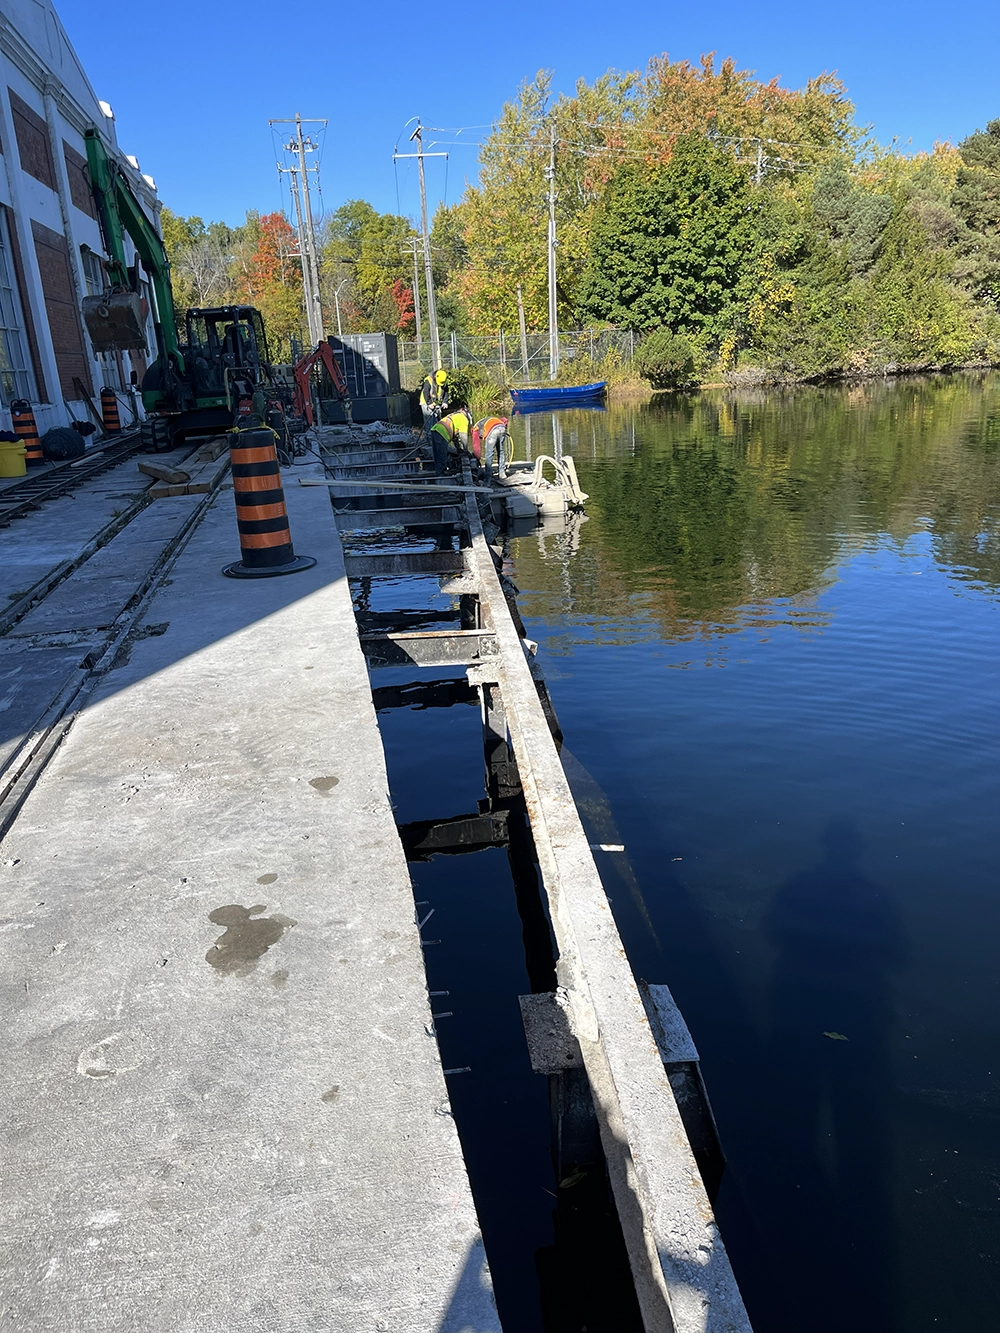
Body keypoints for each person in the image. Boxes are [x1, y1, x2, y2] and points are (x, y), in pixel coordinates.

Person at [429, 407, 473, 475]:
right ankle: (441, 477)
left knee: (437, 455)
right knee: (442, 456)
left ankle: (438, 472)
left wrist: (458, 449)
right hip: (442, 432)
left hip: (435, 429)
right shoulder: (464, 419)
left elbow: (455, 438)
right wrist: (465, 450)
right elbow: (463, 436)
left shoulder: (455, 415)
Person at [471, 415, 509, 479]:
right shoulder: (487, 420)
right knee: (500, 451)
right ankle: (502, 473)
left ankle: (487, 478)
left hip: (493, 431)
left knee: (489, 453)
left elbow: (476, 446)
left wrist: (477, 457)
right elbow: (504, 420)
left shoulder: (475, 429)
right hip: (502, 427)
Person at [420, 368, 449, 435]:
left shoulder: (444, 381)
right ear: (435, 377)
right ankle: (430, 439)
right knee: (430, 422)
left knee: (438, 421)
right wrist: (429, 403)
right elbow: (426, 393)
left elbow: (446, 392)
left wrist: (445, 402)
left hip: (436, 402)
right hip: (426, 402)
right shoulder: (428, 381)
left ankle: (437, 437)